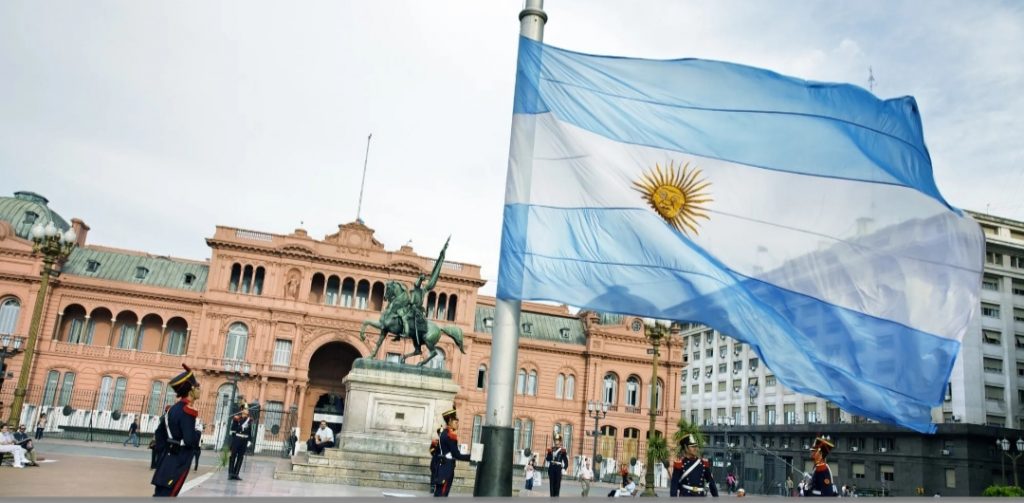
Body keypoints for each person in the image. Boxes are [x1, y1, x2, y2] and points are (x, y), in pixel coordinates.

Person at [151, 363, 202, 497]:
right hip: (178, 461)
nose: (199, 390)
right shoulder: (187, 411)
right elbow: (189, 441)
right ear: (191, 390)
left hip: (166, 460)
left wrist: (165, 451)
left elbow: (159, 433)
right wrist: (198, 431)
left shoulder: (173, 409)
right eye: (197, 387)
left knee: (160, 495)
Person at [433, 407, 470, 497]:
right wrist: (472, 457)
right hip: (447, 468)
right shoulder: (450, 436)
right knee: (442, 494)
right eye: (456, 422)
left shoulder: (443, 433)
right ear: (449, 421)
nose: (458, 425)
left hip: (442, 467)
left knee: (439, 493)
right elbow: (456, 454)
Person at [228, 405, 252, 481]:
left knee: (240, 457)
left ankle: (236, 474)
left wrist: (250, 440)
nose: (247, 410)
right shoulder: (236, 419)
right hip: (237, 439)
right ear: (242, 410)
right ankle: (231, 473)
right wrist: (241, 427)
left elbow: (250, 431)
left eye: (247, 409)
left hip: (244, 440)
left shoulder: (249, 420)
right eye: (246, 409)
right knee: (233, 456)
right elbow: (233, 430)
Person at [429, 428, 443, 494]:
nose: (441, 434)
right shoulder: (435, 442)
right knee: (434, 473)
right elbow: (431, 451)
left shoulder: (446, 442)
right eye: (440, 433)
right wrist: (437, 447)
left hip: (442, 460)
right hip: (436, 459)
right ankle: (432, 486)